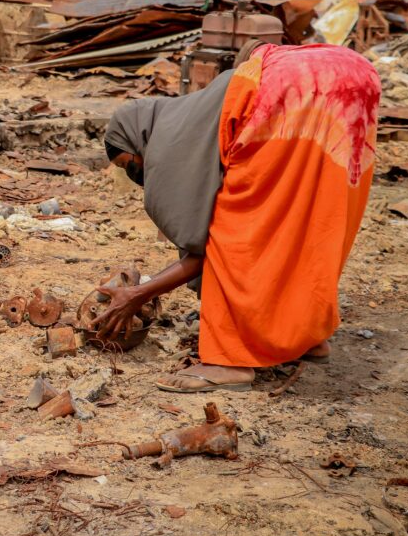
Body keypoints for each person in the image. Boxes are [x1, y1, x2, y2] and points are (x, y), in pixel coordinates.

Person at [96, 41, 380, 392]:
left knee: (237, 232)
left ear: (136, 141)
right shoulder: (193, 112)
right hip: (351, 74)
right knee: (303, 223)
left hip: (288, 85)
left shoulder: (169, 142)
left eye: (130, 166)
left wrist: (139, 294)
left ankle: (228, 361)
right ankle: (308, 339)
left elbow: (203, 246)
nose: (136, 176)